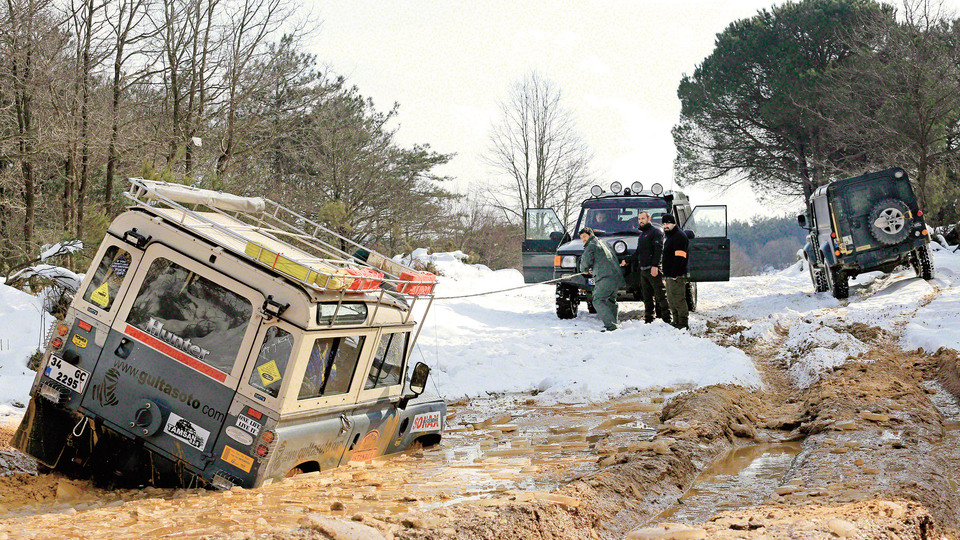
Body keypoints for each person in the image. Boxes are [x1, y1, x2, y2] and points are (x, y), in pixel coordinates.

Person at [623, 211, 671, 324]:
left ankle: (667, 319)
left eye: (643, 218)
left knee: (660, 295)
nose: (641, 221)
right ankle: (649, 319)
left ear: (649, 219)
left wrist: (655, 266)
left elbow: (659, 251)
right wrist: (627, 260)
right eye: (639, 219)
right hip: (643, 270)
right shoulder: (642, 235)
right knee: (647, 297)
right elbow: (638, 253)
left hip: (653, 269)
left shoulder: (656, 232)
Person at [578, 227, 626, 332]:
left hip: (605, 277)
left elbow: (585, 262)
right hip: (615, 276)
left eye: (585, 237)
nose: (583, 240)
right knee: (610, 300)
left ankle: (611, 326)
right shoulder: (604, 243)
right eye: (582, 238)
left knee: (598, 300)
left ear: (590, 235)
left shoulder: (591, 246)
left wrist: (584, 270)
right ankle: (613, 324)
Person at [661, 214, 690, 330]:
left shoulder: (679, 237)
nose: (665, 226)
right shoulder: (670, 236)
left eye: (667, 223)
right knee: (672, 299)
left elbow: (680, 257)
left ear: (673, 223)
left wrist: (675, 273)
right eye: (663, 224)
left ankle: (683, 323)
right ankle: (676, 320)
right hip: (669, 274)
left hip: (676, 275)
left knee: (678, 299)